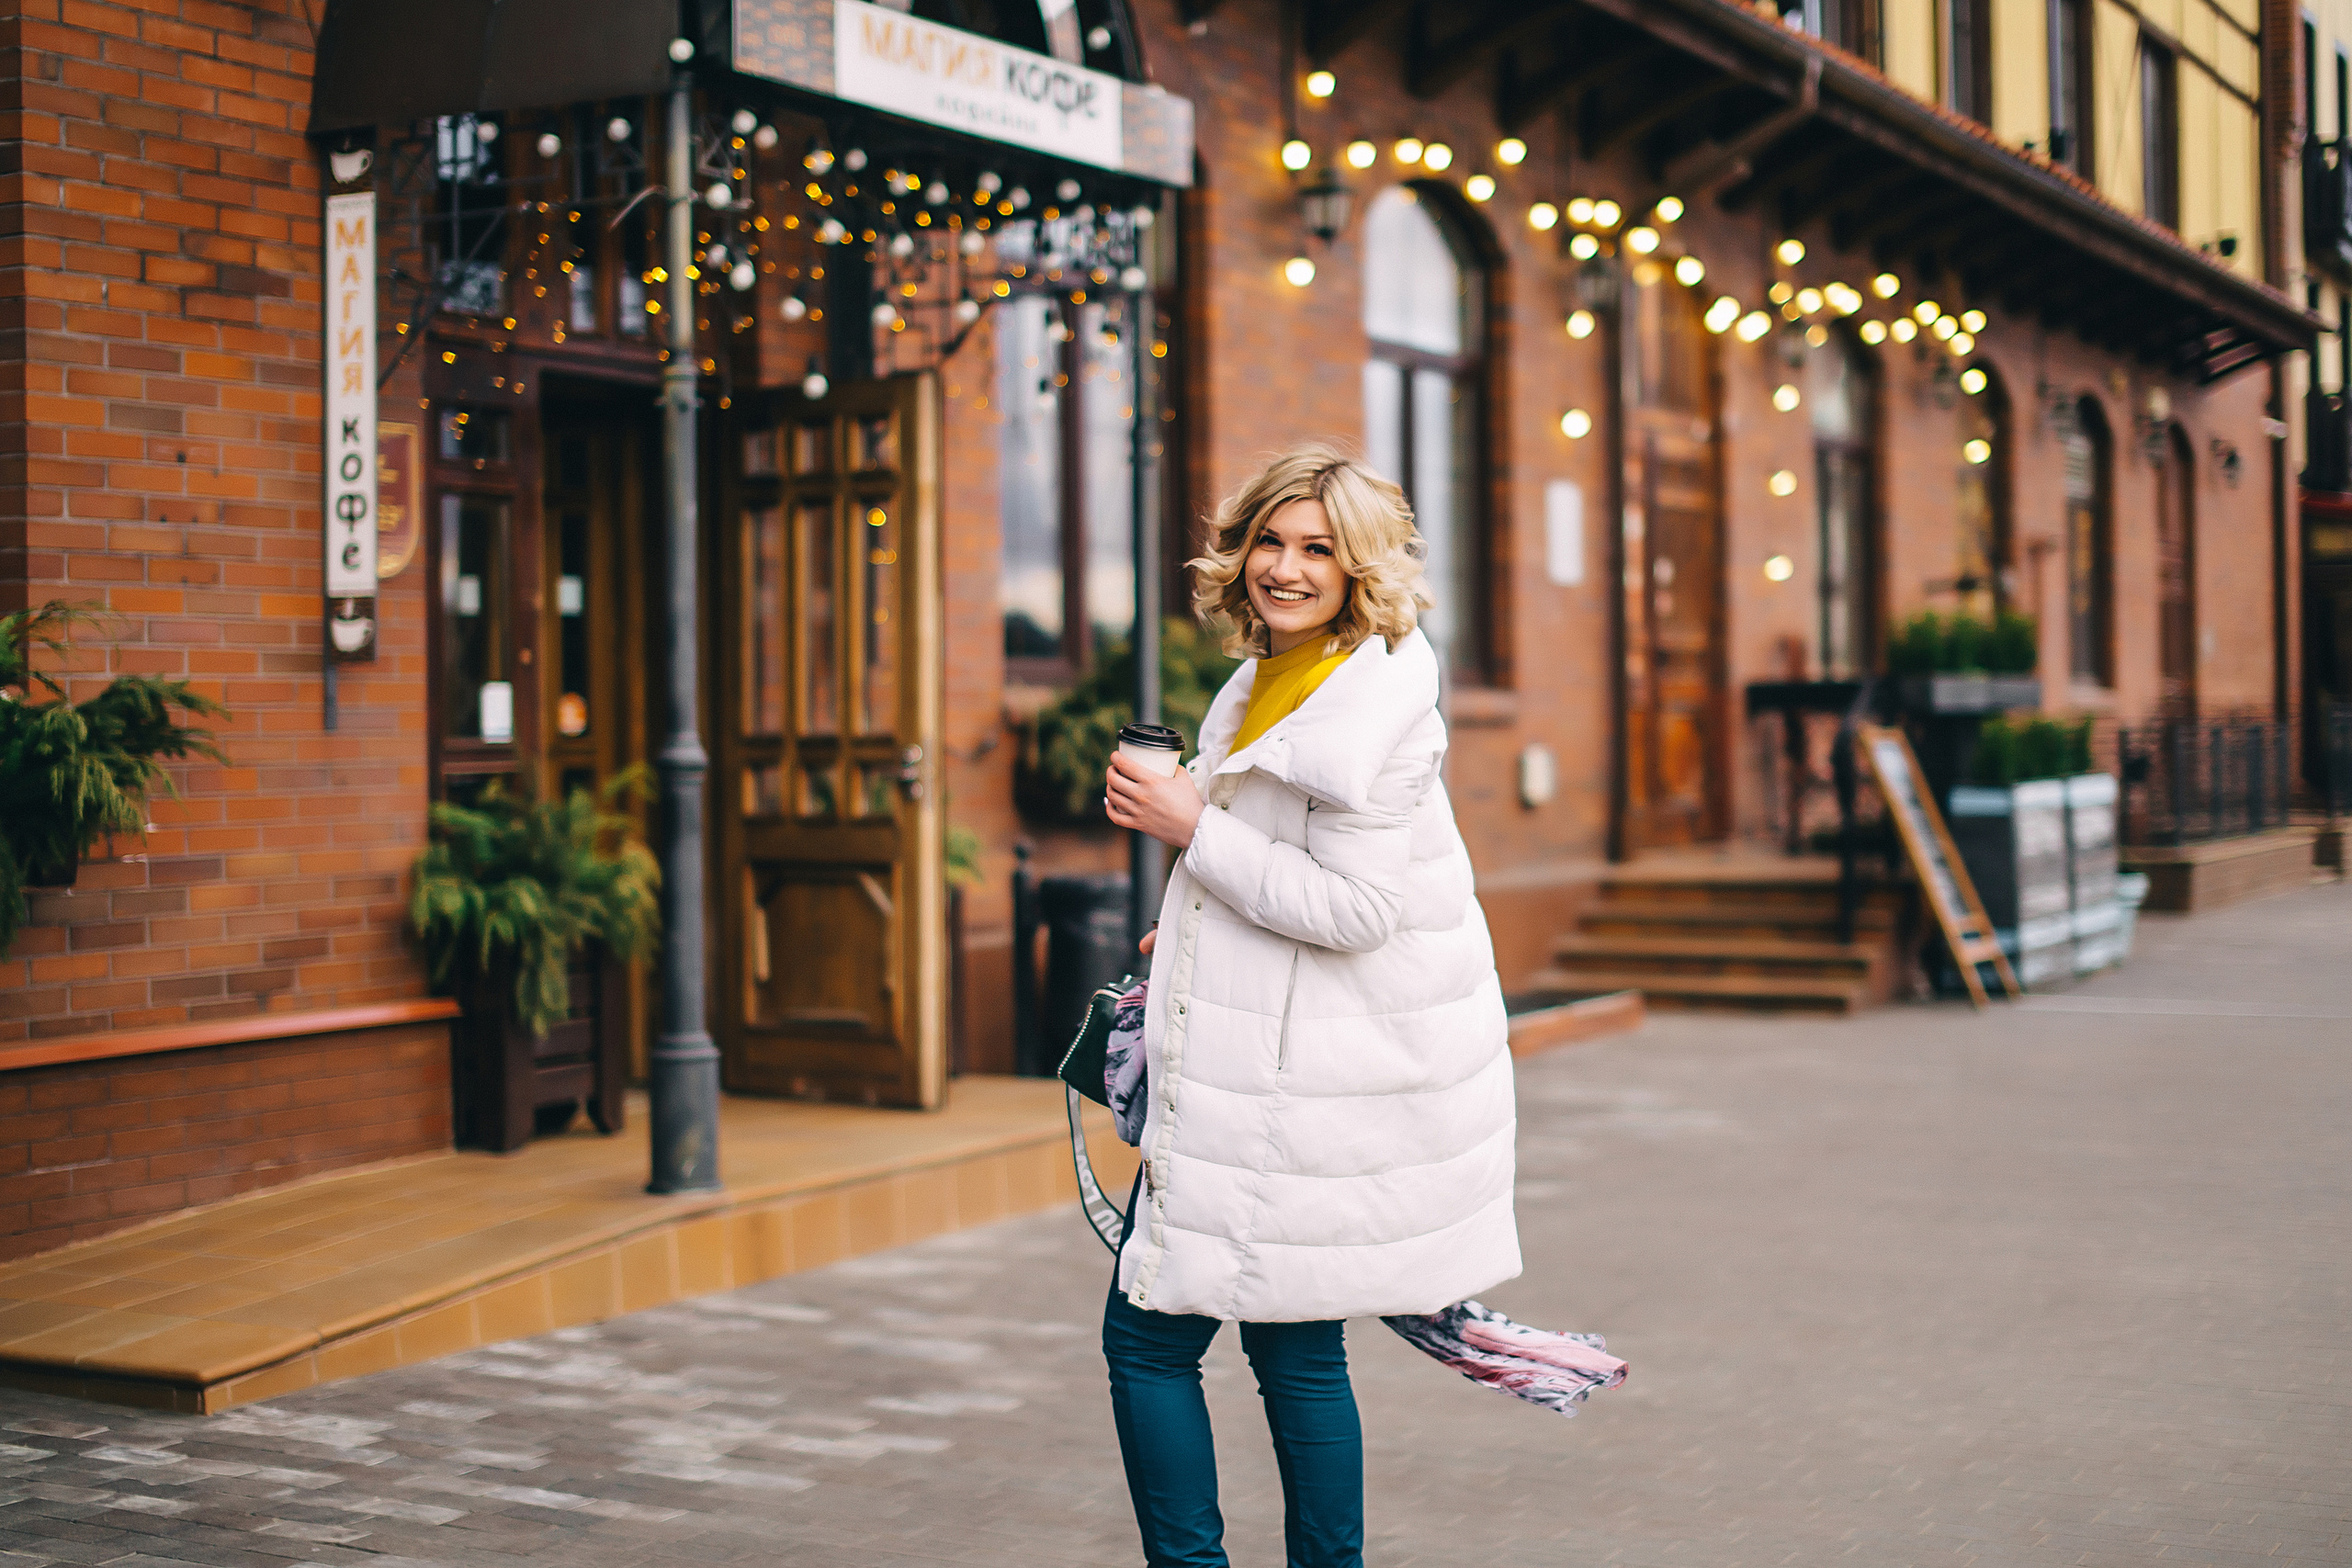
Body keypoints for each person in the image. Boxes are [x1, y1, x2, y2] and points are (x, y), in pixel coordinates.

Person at [1102, 445, 1519, 1568]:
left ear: (1359, 568)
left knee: (1150, 1343)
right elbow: (1277, 867)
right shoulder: (1276, 674)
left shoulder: (1371, 706)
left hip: (1284, 1088)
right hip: (1271, 1067)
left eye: (1317, 550)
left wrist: (1190, 828)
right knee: (1293, 1354)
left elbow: (1357, 910)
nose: (1284, 569)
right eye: (1269, 542)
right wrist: (1195, 920)